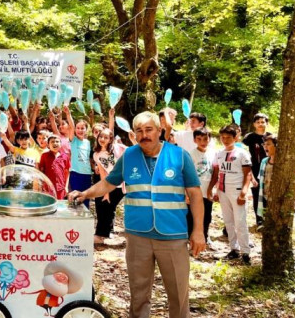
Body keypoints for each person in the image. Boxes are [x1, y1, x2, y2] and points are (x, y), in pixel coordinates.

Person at [69, 111, 205, 318]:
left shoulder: (179, 155)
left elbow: (195, 194)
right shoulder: (130, 155)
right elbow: (108, 183)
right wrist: (85, 193)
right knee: (138, 295)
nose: (144, 135)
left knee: (178, 294)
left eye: (149, 129)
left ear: (159, 131)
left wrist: (198, 231)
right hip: (138, 235)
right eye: (139, 131)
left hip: (173, 235)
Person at [208, 124, 252, 265]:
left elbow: (248, 174)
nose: (225, 140)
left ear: (235, 137)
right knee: (228, 221)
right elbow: (216, 173)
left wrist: (243, 193)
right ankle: (234, 249)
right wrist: (212, 189)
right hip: (223, 191)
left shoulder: (242, 153)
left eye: (228, 137)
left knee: (240, 221)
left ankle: (246, 252)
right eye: (223, 137)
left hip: (237, 190)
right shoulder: (219, 153)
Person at [92, 128, 126, 244]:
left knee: (108, 207)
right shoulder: (96, 154)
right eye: (101, 136)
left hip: (123, 184)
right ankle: (101, 235)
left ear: (110, 139)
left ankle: (101, 234)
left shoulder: (117, 148)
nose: (102, 139)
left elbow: (133, 152)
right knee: (104, 206)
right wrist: (105, 191)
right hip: (111, 184)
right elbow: (103, 174)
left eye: (106, 137)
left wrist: (132, 138)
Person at [187, 128, 216, 245]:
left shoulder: (214, 153)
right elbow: (186, 174)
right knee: (191, 215)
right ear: (194, 140)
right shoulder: (190, 154)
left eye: (205, 139)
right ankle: (190, 237)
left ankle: (205, 236)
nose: (202, 141)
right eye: (199, 139)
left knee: (207, 215)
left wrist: (210, 189)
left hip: (207, 190)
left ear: (209, 139)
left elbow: (215, 172)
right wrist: (186, 193)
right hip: (194, 191)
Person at [242, 113, 268, 226]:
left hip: (268, 168)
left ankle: (268, 218)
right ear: (254, 124)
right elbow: (243, 151)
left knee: (268, 193)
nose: (260, 124)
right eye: (258, 122)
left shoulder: (270, 137)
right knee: (257, 194)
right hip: (255, 169)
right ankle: (259, 220)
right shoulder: (249, 137)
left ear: (267, 123)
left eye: (263, 122)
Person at [38, 135, 70, 199]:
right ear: (48, 145)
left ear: (61, 144)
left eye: (57, 141)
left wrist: (66, 187)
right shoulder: (44, 156)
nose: (55, 143)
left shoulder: (65, 156)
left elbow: (67, 172)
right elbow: (41, 172)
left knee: (59, 206)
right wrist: (41, 186)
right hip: (48, 187)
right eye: (52, 142)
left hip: (60, 188)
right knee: (48, 205)